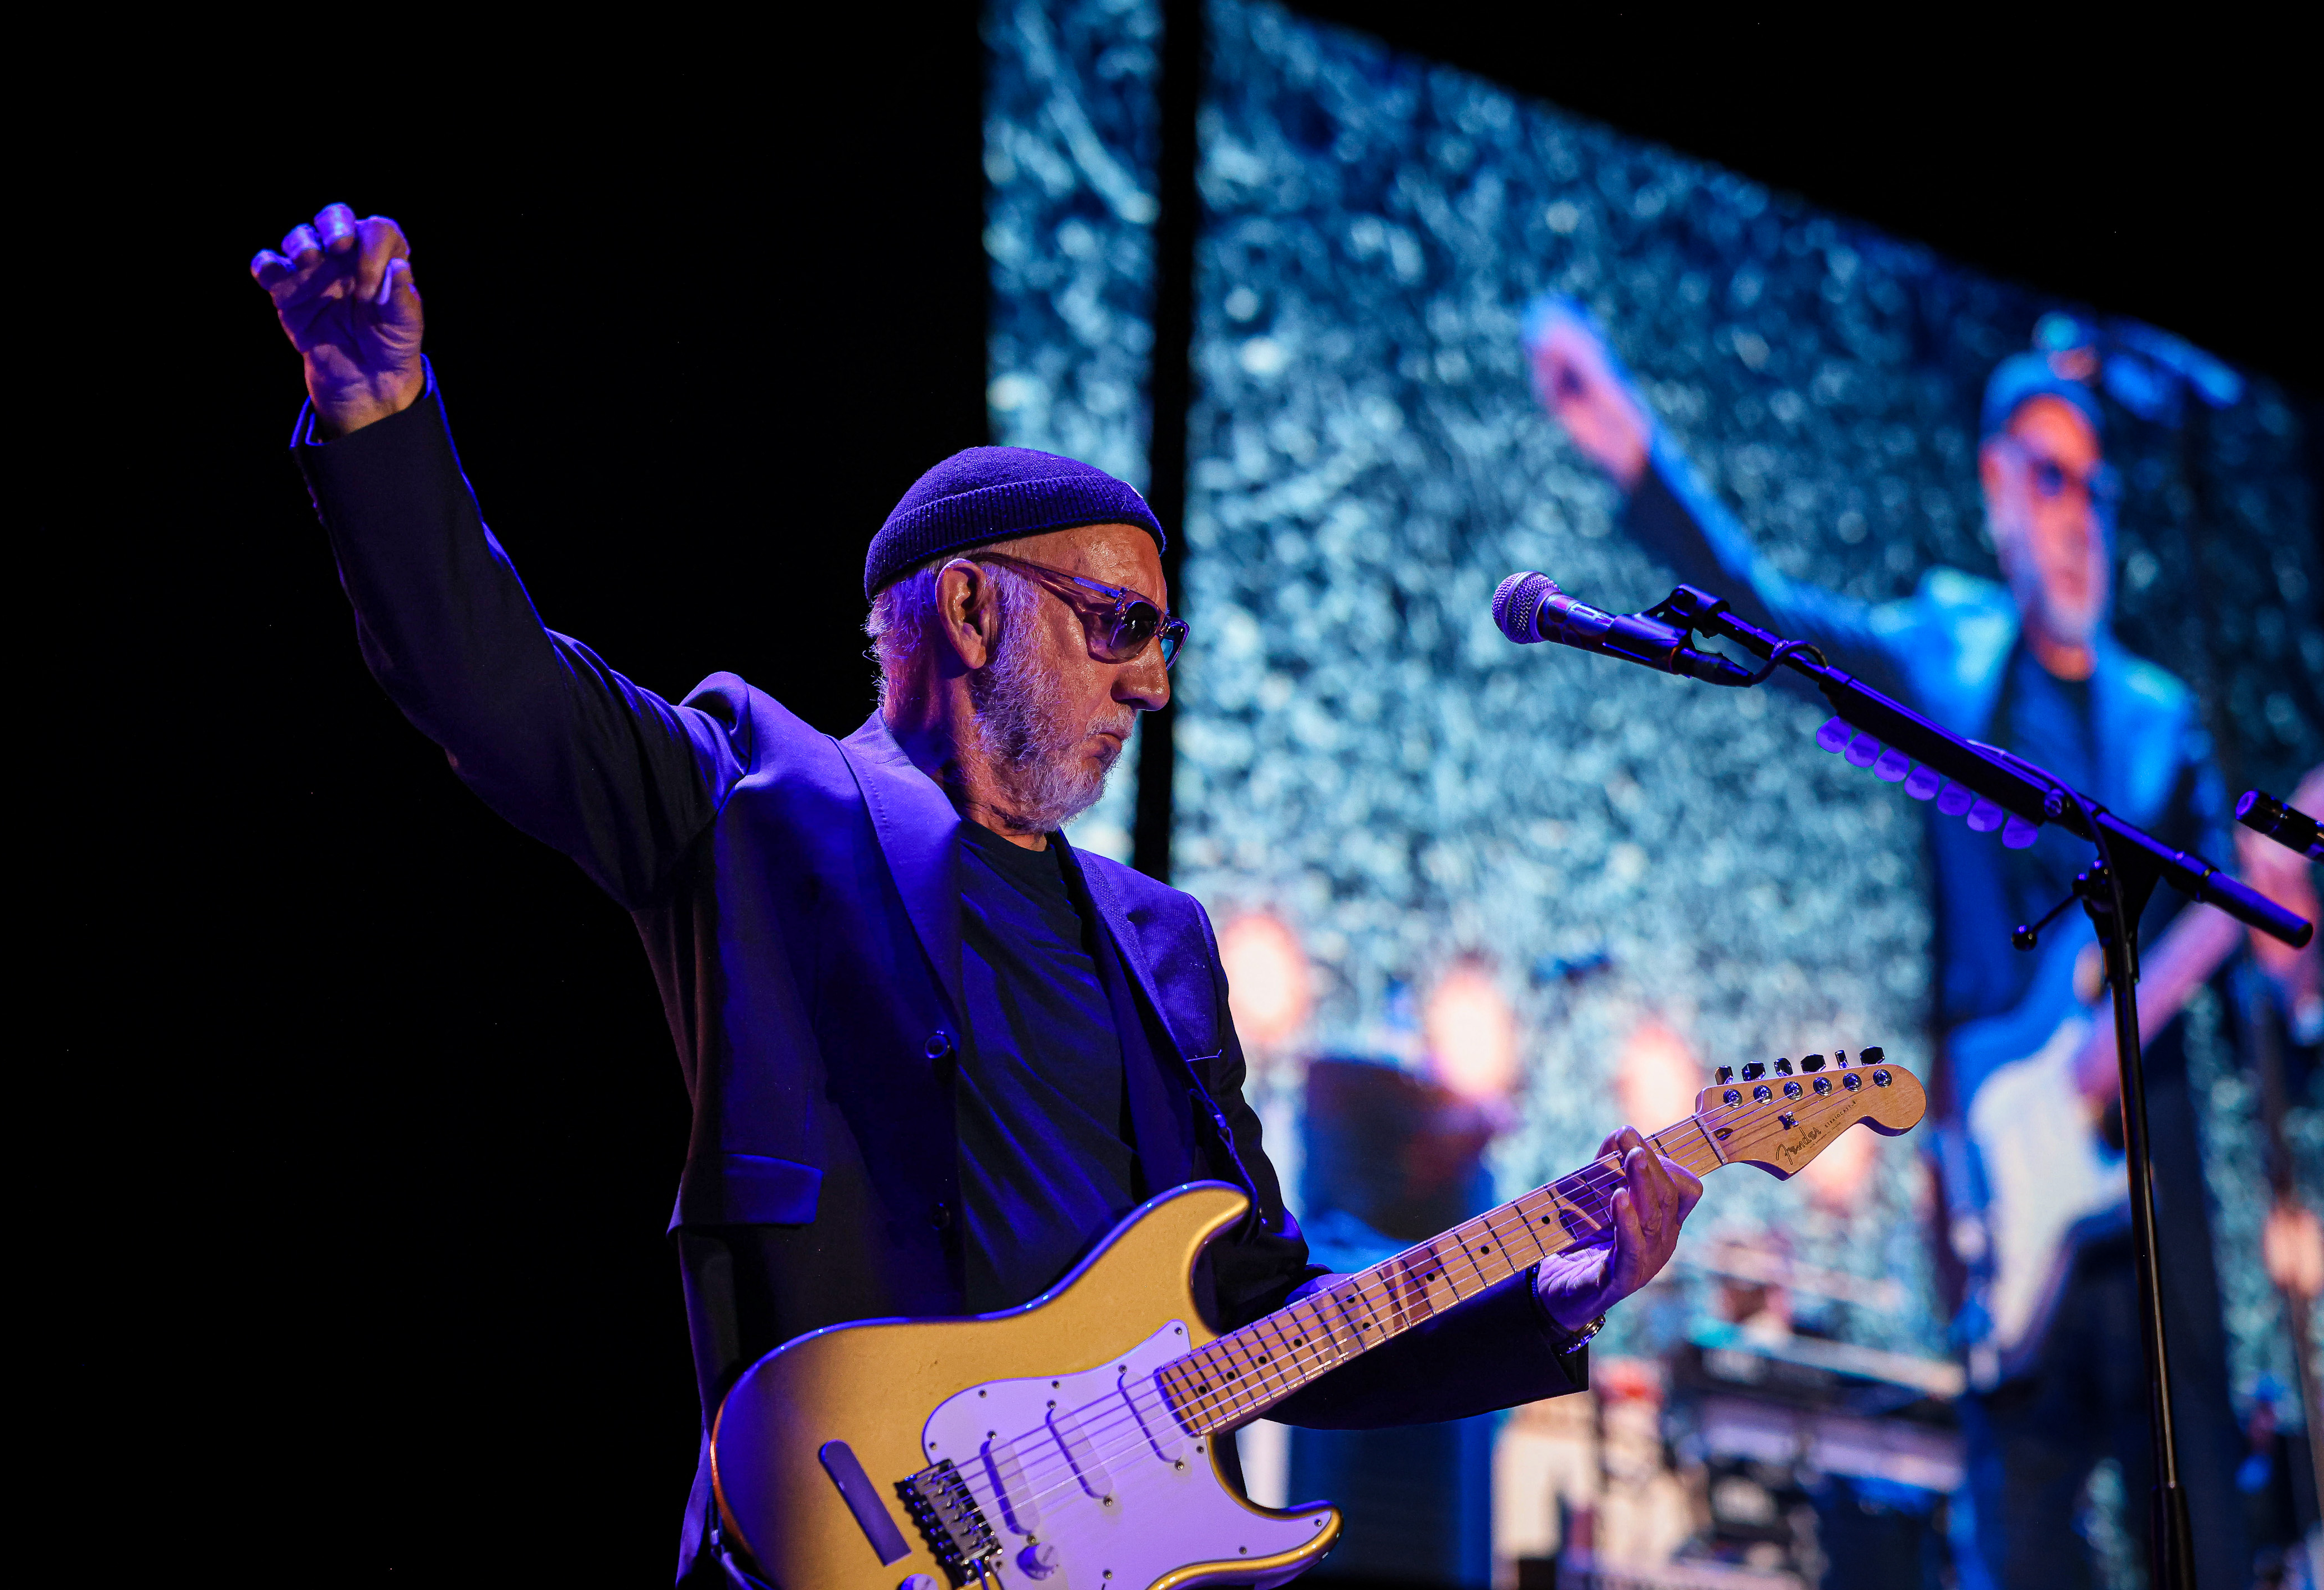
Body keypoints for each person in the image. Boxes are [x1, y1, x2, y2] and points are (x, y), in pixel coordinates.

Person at [248, 202, 1706, 1587]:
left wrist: (1555, 1287)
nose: (1153, 679)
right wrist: (381, 423)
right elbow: (495, 692)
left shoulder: (1164, 944)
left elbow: (1258, 1310)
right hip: (853, 1534)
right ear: (965, 607)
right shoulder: (757, 799)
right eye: (1119, 624)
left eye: (1167, 638)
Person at [1524, 299, 2320, 1588]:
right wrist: (1631, 448)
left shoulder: (2164, 718)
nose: (2080, 518)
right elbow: (1773, 624)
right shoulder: (1942, 651)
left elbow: (2231, 977)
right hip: (2006, 1162)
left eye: (2099, 491)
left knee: (2201, 1527)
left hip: (2155, 1170)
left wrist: (2288, 978)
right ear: (1996, 485)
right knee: (2018, 1526)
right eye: (2051, 481)